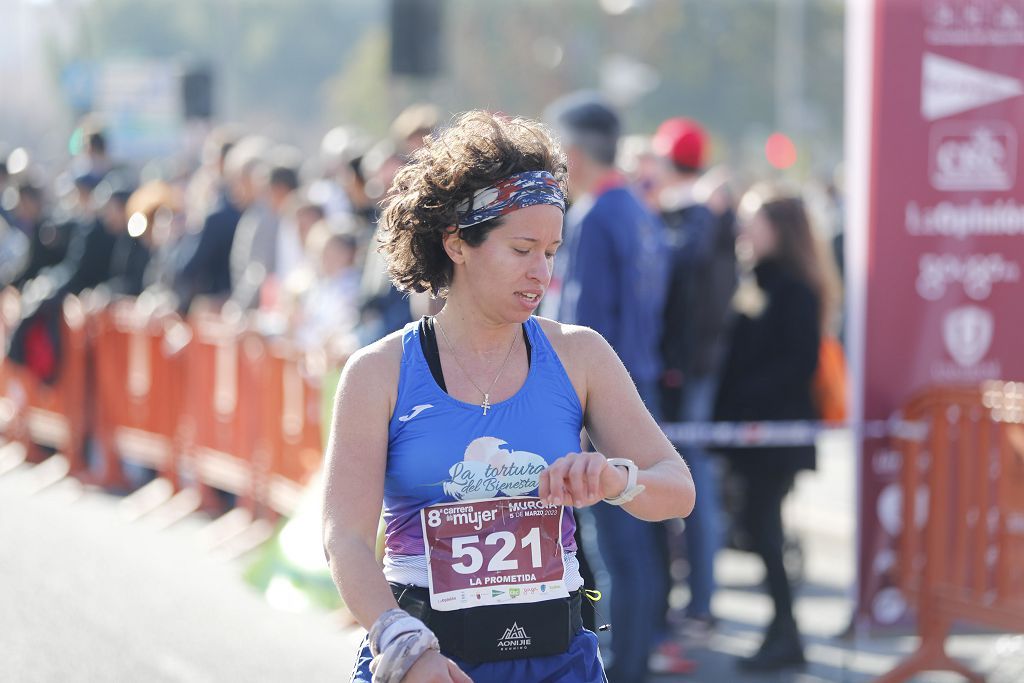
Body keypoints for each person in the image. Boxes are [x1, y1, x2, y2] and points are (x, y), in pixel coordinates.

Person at [321, 110, 695, 683]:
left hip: (558, 662)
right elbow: (344, 537)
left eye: (551, 251)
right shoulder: (379, 372)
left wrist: (617, 479)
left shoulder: (581, 355)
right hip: (430, 662)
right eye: (522, 249)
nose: (541, 272)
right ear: (457, 244)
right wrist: (402, 645)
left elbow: (678, 488)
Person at [545, 92, 674, 683]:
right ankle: (638, 655)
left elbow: (580, 327)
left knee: (616, 548)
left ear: (571, 152)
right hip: (643, 383)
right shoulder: (639, 209)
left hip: (608, 397)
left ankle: (626, 663)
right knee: (638, 541)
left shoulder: (597, 214)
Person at [713, 191, 839, 671]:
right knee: (762, 531)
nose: (744, 232)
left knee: (765, 531)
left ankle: (786, 632)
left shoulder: (793, 288)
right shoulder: (760, 281)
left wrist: (744, 405)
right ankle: (783, 629)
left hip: (774, 437)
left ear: (779, 230)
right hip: (756, 435)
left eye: (753, 223)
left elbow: (796, 363)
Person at [652, 117, 733, 646]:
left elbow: (683, 285)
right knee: (687, 482)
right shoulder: (698, 216)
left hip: (689, 372)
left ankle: (700, 601)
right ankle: (697, 600)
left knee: (690, 484)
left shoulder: (695, 218)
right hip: (691, 368)